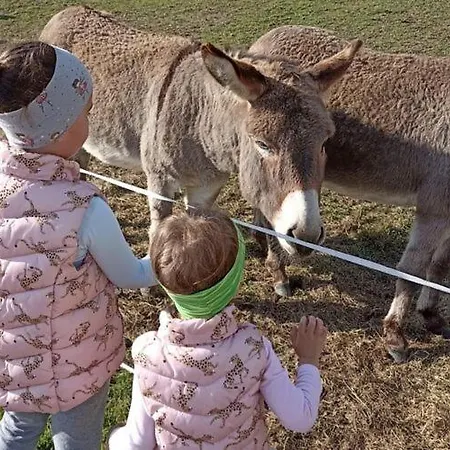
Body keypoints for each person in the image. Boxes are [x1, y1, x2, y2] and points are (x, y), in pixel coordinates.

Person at [0, 41, 157, 450]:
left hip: (16, 359)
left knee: (17, 430)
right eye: (85, 112)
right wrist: (166, 253)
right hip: (79, 364)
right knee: (76, 440)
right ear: (67, 126)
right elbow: (131, 275)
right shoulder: (85, 209)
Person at [108, 209, 327, 449]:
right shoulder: (252, 347)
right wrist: (308, 360)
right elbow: (301, 418)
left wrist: (114, 437)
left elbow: (136, 443)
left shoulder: (146, 352)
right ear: (234, 282)